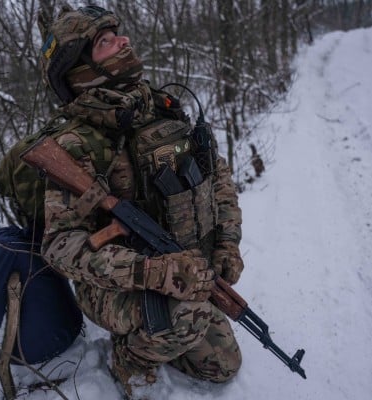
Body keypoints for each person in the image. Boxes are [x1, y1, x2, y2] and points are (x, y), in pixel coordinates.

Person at [36, 4, 244, 398]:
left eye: (119, 33)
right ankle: (132, 359)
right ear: (79, 67)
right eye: (106, 41)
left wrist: (227, 243)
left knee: (222, 366)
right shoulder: (78, 145)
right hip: (116, 285)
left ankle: (169, 326)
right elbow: (60, 246)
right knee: (189, 317)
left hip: (184, 268)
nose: (124, 41)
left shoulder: (163, 108)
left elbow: (218, 179)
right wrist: (150, 272)